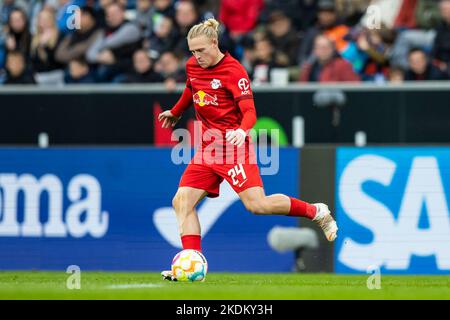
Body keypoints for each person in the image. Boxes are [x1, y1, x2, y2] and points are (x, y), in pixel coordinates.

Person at [158, 18, 338, 281]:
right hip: (208, 149)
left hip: (233, 149)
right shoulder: (193, 66)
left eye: (201, 50)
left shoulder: (234, 71)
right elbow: (191, 88)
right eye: (193, 52)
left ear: (214, 43)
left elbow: (250, 112)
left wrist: (241, 131)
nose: (197, 57)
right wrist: (175, 112)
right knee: (181, 201)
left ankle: (316, 211)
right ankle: (191, 261)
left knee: (258, 205)